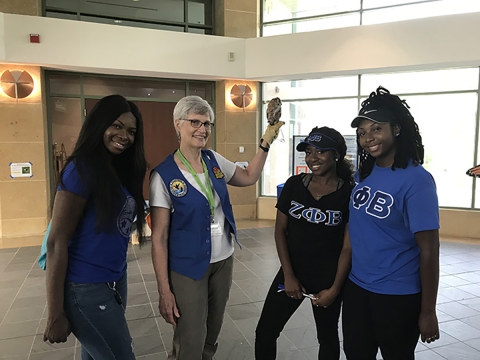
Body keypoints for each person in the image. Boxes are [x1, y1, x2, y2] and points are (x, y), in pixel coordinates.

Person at [149, 95, 284, 360]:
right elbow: (159, 237)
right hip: (188, 266)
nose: (203, 129)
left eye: (208, 124)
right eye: (195, 122)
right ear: (178, 124)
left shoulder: (213, 159)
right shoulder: (163, 175)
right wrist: (165, 291)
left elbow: (248, 177)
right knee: (191, 336)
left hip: (223, 260)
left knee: (212, 332)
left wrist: (265, 143)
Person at [43, 94, 147, 360]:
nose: (124, 135)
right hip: (86, 287)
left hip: (114, 280)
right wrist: (55, 313)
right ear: (99, 124)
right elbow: (56, 242)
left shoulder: (117, 170)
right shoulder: (80, 170)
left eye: (131, 131)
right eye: (116, 126)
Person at [343, 86, 440, 360]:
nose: (368, 138)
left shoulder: (417, 181)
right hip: (358, 287)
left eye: (376, 129)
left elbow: (430, 250)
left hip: (397, 294)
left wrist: (428, 310)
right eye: (362, 133)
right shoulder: (366, 172)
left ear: (396, 129)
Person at [255, 127, 354, 360]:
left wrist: (335, 289)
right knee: (266, 332)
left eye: (320, 151)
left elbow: (348, 247)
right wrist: (288, 275)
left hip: (328, 279)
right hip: (292, 272)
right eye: (309, 152)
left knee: (327, 337)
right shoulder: (294, 185)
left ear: (336, 155)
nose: (312, 158)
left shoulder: (348, 194)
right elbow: (280, 231)